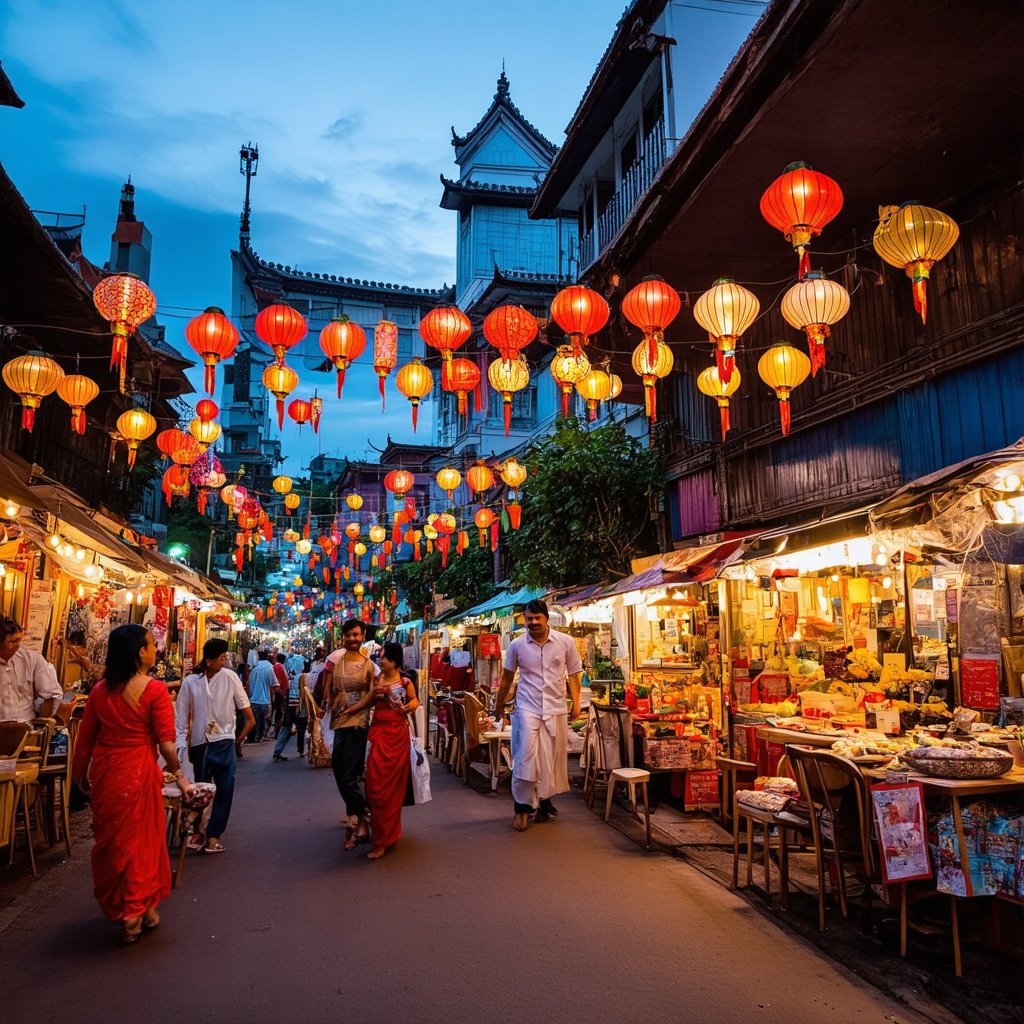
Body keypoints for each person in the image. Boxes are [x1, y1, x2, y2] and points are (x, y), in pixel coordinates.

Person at [71, 624, 193, 944]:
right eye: (152, 644)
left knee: (113, 842)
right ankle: (134, 910)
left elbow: (84, 741)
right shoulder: (155, 691)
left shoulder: (99, 691)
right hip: (139, 771)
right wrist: (179, 772)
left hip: (107, 773)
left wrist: (78, 776)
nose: (156, 649)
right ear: (140, 651)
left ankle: (139, 909)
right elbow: (166, 745)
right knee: (142, 844)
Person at [492, 599, 583, 832]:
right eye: (528, 618)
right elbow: (507, 677)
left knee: (549, 760)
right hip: (526, 708)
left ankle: (543, 801)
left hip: (556, 708)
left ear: (546, 618)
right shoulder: (516, 645)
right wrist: (499, 704)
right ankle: (522, 807)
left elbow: (574, 674)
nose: (532, 623)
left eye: (537, 618)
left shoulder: (566, 642)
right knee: (525, 756)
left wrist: (577, 704)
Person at [174, 638, 255, 854]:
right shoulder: (191, 682)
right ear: (209, 661)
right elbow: (180, 718)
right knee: (199, 791)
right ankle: (197, 832)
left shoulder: (229, 677)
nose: (225, 661)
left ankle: (213, 836)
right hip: (200, 743)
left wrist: (237, 739)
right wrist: (180, 744)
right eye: (222, 658)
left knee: (224, 791)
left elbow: (246, 710)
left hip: (224, 741)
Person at [340, 642, 418, 860]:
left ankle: (384, 840)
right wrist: (349, 711)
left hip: (398, 738)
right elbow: (367, 702)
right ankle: (383, 835)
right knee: (375, 786)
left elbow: (414, 701)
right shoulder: (378, 680)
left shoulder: (405, 682)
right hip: (379, 737)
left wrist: (405, 708)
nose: (380, 660)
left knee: (392, 790)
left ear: (394, 661)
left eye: (383, 657)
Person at [321, 618, 379, 849]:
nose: (353, 639)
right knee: (338, 768)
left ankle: (363, 813)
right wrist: (326, 704)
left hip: (358, 723)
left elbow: (372, 696)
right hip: (339, 723)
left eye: (356, 635)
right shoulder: (337, 661)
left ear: (362, 636)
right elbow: (329, 690)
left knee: (350, 775)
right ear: (343, 637)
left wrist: (354, 708)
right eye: (349, 635)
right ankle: (362, 816)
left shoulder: (369, 666)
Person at [0, 615, 62, 722]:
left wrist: (42, 722)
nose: (17, 645)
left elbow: (51, 694)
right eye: (11, 642)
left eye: (19, 640)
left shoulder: (31, 659)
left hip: (28, 727)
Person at [273, 657, 308, 762]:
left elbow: (286, 690)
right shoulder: (303, 677)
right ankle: (301, 750)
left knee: (286, 728)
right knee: (301, 728)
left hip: (290, 705)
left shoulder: (289, 676)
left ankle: (277, 751)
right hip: (300, 706)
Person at [246, 649, 274, 742]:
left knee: (253, 720)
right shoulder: (269, 667)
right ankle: (260, 737)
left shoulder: (254, 668)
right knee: (262, 719)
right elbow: (274, 683)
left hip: (253, 699)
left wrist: (249, 696)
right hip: (264, 700)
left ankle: (252, 738)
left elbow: (248, 684)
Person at [271, 653, 290, 738]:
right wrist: (283, 693)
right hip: (279, 693)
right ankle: (277, 732)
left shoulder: (276, 666)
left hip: (278, 693)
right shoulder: (279, 667)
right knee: (279, 713)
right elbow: (281, 682)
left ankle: (277, 731)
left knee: (278, 712)